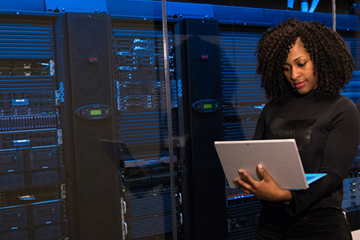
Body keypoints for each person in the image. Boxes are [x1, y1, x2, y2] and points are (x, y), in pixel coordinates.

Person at [233, 18, 360, 240]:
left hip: (321, 227)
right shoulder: (272, 109)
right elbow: (254, 157)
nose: (294, 75)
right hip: (271, 226)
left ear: (321, 61)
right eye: (286, 68)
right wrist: (248, 180)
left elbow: (332, 176)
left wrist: (285, 196)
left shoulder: (341, 109)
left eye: (301, 64)